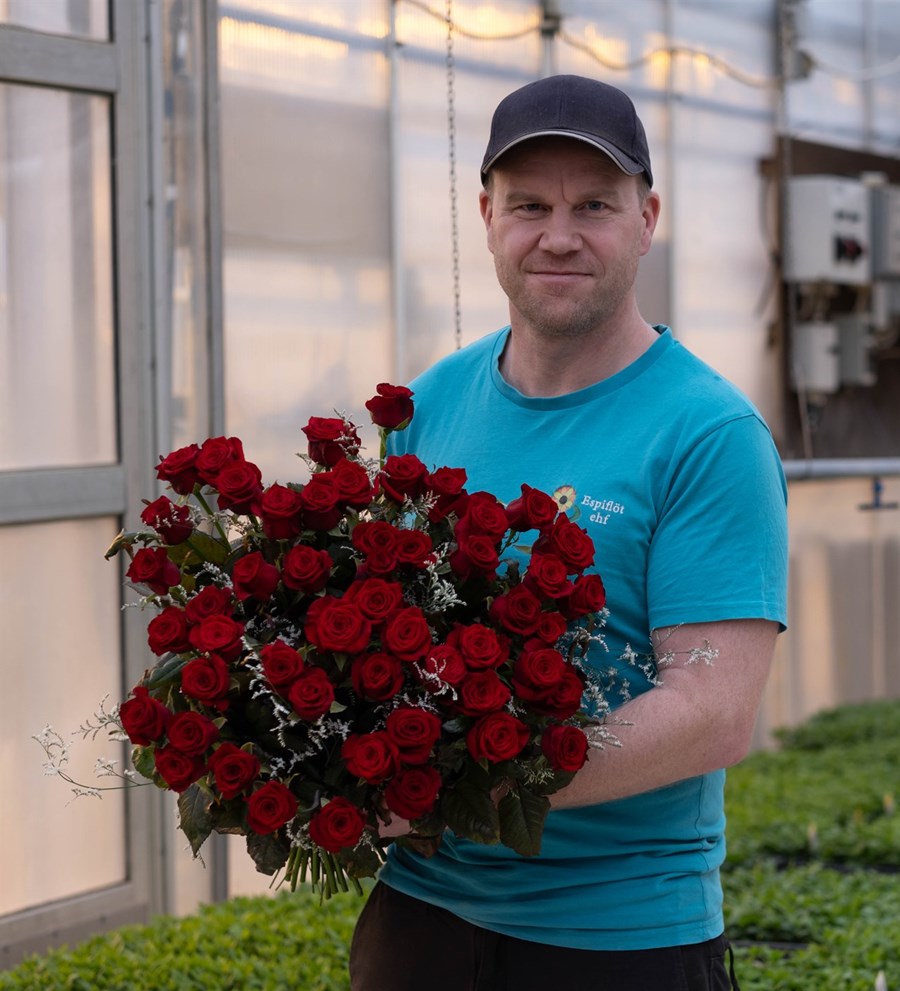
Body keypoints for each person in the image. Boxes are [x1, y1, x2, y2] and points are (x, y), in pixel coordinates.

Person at [349, 74, 788, 991]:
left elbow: (711, 712)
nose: (558, 234)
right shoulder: (428, 407)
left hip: (617, 937)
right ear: (487, 216)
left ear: (646, 216)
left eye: (594, 204)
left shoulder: (707, 433)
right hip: (419, 918)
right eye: (530, 205)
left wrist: (474, 790)